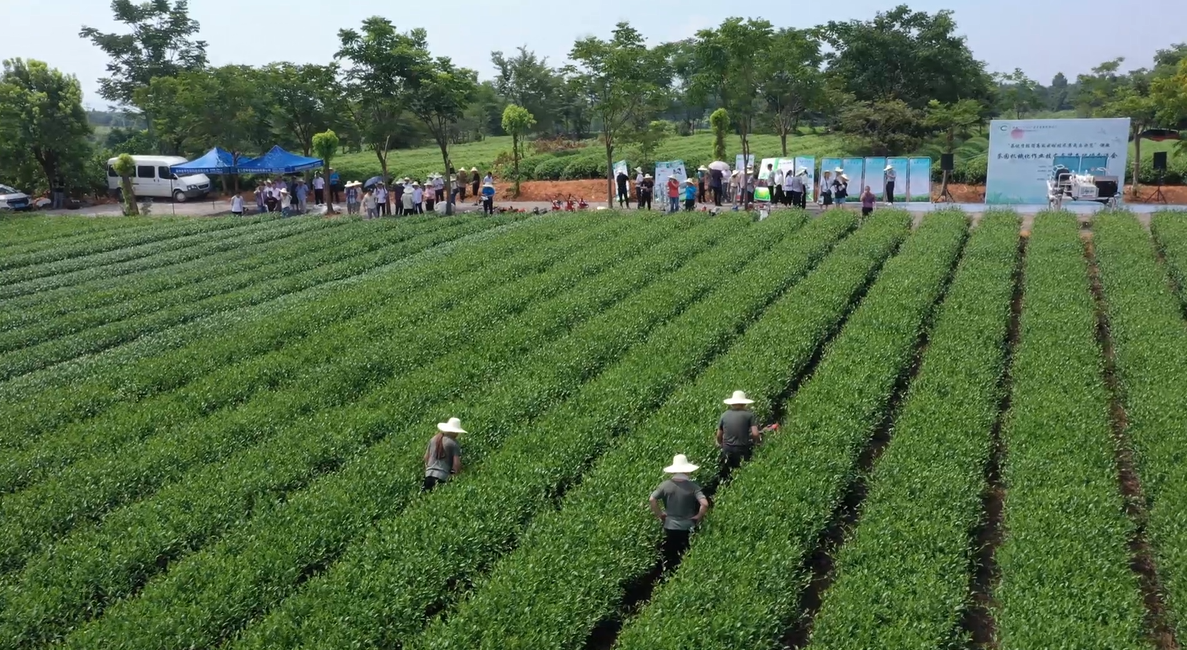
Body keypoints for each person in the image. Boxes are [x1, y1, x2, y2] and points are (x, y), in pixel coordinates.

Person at [649, 454, 709, 574]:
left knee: (671, 554)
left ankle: (668, 575)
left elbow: (652, 499)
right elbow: (705, 504)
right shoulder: (693, 487)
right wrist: (698, 517)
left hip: (669, 525)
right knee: (685, 554)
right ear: (687, 471)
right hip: (687, 526)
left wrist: (660, 514)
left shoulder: (665, 485)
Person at [716, 390, 761, 482]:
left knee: (727, 474)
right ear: (744, 404)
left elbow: (719, 435)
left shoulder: (724, 415)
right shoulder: (749, 415)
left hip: (727, 449)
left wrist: (720, 444)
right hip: (742, 449)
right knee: (742, 474)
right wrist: (758, 443)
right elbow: (755, 433)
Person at [423, 417, 466, 491]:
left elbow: (426, 458)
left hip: (428, 475)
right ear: (454, 432)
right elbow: (456, 464)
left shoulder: (433, 439)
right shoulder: (453, 443)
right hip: (442, 476)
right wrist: (455, 476)